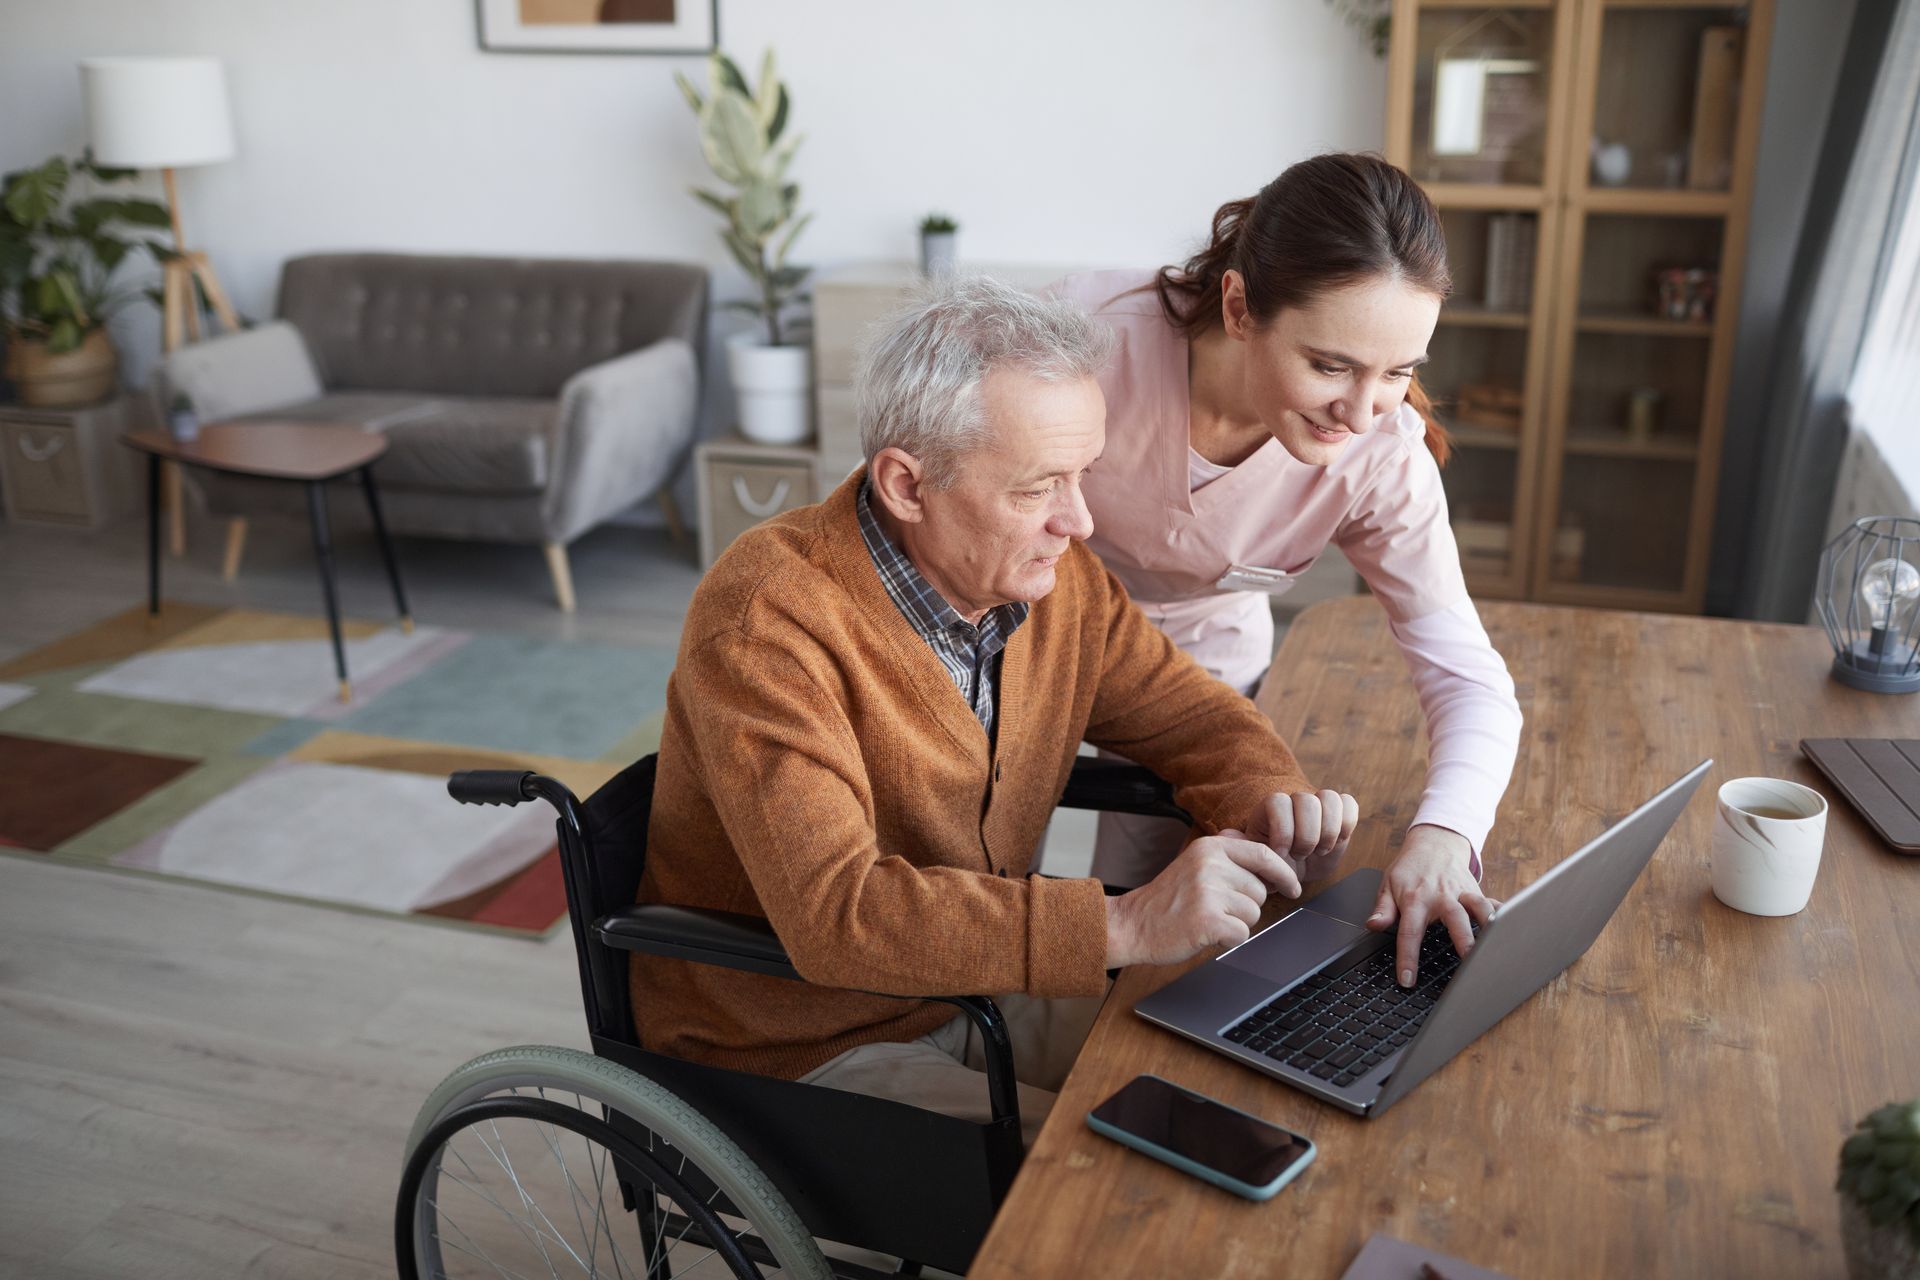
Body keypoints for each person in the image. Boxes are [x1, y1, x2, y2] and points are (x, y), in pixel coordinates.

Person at [632, 277, 1358, 1142]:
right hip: (800, 1040)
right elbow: (839, 916)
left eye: (1083, 475)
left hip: (973, 988)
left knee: (1255, 1060)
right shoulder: (766, 620)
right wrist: (1122, 922)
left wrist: (1272, 798)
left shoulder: (1054, 584)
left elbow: (1185, 714)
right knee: (1120, 1167)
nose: (1079, 522)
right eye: (1038, 488)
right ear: (907, 484)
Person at [1049, 152, 1522, 990]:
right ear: (1238, 306)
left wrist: (1447, 834)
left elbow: (1466, 674)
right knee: (1017, 896)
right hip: (1032, 642)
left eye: (1399, 372)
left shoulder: (1380, 455)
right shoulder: (1082, 345)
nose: (1362, 409)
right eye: (1332, 365)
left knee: (1174, 941)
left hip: (1201, 678)